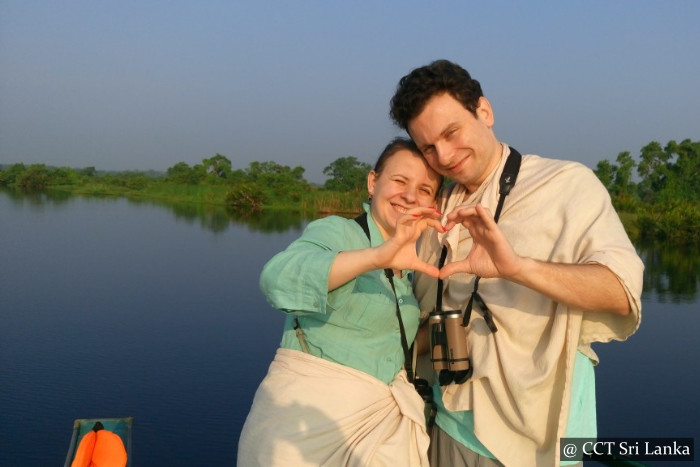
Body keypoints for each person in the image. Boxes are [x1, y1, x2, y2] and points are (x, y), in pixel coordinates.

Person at [389, 60, 644, 466]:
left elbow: (621, 293)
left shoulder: (565, 185)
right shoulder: (437, 206)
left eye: (451, 132)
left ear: (484, 112)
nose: (445, 155)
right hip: (448, 423)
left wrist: (518, 267)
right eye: (428, 147)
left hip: (538, 435)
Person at [237, 137, 445, 466]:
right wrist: (376, 257)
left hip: (379, 428)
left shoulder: (413, 264)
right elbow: (277, 279)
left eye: (424, 189)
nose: (409, 196)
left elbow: (385, 340)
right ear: (373, 182)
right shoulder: (338, 232)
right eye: (399, 181)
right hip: (307, 432)